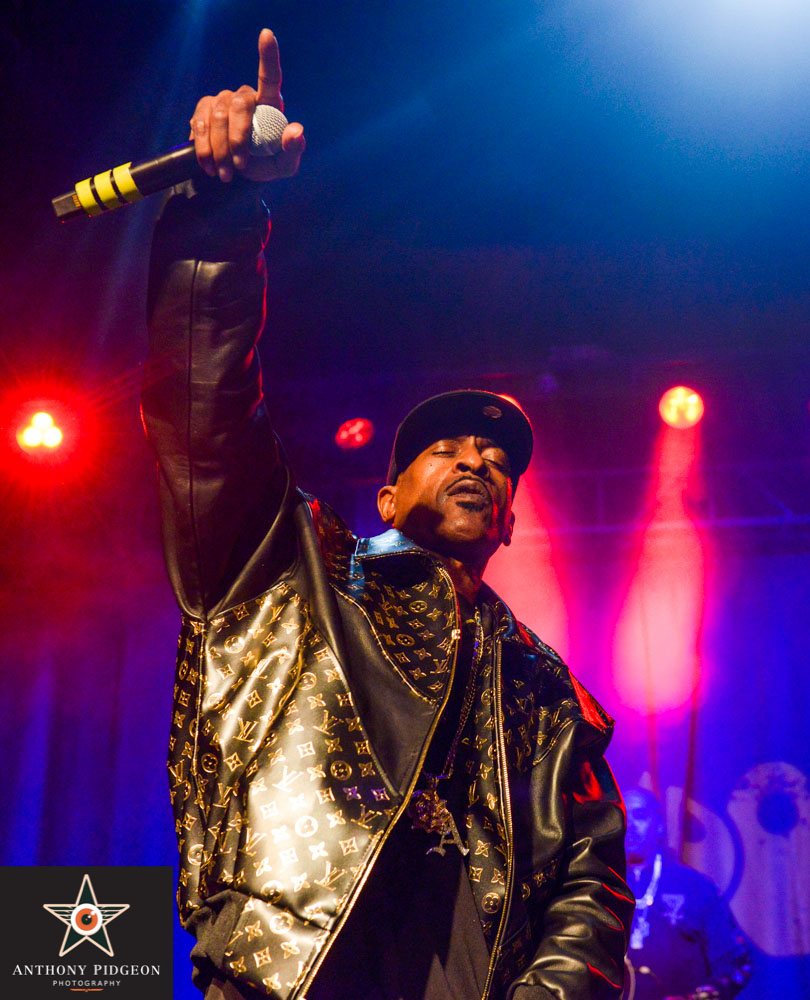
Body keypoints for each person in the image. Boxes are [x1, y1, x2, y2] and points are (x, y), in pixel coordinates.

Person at [142, 28, 634, 1000]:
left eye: (498, 463)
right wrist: (220, 219)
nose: (478, 461)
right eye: (445, 450)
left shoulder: (547, 690)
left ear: (510, 525)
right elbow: (204, 418)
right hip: (292, 969)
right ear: (386, 496)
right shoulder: (290, 570)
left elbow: (592, 884)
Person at [622, 788, 752, 1000]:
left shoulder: (696, 887)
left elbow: (736, 962)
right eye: (622, 817)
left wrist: (706, 993)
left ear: (660, 826)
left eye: (640, 815)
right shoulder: (595, 888)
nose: (629, 825)